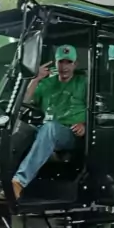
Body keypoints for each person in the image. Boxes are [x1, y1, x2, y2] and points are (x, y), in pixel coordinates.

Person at [11, 44, 86, 198]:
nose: (64, 67)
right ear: (55, 63)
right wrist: (36, 79)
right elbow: (25, 100)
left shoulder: (83, 83)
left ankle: (19, 182)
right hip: (45, 129)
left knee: (50, 128)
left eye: (68, 62)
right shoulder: (47, 83)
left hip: (69, 133)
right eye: (61, 62)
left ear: (75, 64)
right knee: (14, 127)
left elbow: (96, 109)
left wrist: (84, 125)